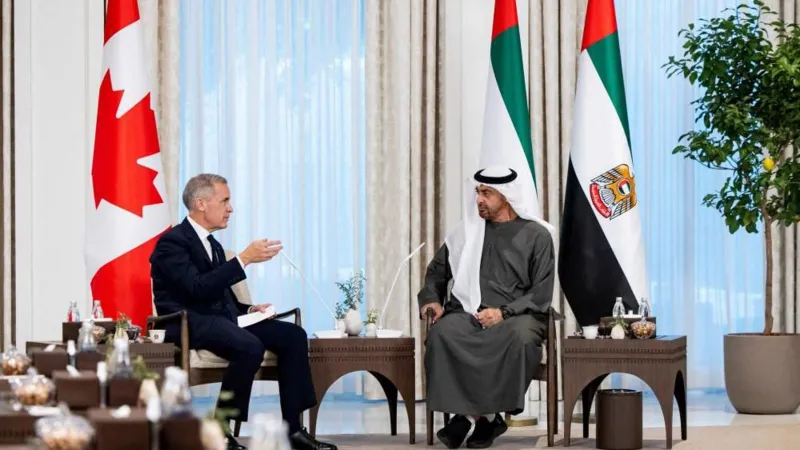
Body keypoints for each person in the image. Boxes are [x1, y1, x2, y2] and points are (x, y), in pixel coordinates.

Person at [150, 173, 336, 450]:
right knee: (249, 345)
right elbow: (197, 289)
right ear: (201, 204)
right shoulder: (172, 243)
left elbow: (218, 294)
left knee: (293, 335)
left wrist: (250, 309)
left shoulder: (212, 244)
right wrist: (244, 258)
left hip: (221, 319)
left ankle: (293, 431)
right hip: (189, 321)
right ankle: (221, 432)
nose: (230, 208)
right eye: (224, 201)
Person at [418, 166, 555, 449]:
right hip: (467, 310)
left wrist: (503, 312)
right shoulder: (466, 232)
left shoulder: (537, 235)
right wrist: (431, 299)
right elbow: (436, 272)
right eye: (478, 192)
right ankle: (485, 420)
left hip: (519, 315)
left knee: (519, 337)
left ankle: (466, 418)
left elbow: (541, 291)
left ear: (506, 196)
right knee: (444, 332)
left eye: (487, 193)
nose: (479, 199)